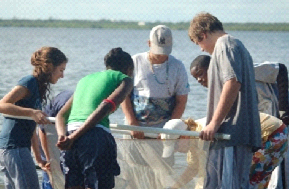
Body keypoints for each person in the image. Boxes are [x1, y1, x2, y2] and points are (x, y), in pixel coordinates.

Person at [190, 55, 289, 188]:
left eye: (201, 74)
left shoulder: (239, 72)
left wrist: (284, 111)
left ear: (213, 68)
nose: (199, 80)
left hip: (277, 118)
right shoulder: (219, 94)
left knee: (279, 172)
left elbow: (280, 69)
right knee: (260, 176)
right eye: (195, 78)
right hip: (260, 131)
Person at [188, 12, 262, 189]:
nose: (201, 49)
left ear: (203, 34)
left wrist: (213, 123)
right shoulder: (236, 45)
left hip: (232, 134)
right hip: (233, 136)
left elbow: (233, 82)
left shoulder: (225, 45)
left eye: (199, 43)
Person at [55, 47, 134, 189]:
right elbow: (105, 106)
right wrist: (73, 138)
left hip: (70, 135)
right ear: (129, 69)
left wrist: (64, 137)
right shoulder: (125, 79)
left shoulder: (85, 80)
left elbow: (61, 115)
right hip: (94, 138)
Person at [0, 46, 68, 189]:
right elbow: (2, 105)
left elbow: (31, 128)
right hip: (14, 146)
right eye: (61, 70)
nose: (62, 75)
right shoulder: (29, 81)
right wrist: (31, 112)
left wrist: (39, 159)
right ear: (49, 67)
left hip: (16, 147)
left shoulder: (39, 87)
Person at [121, 24, 189, 139]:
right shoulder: (135, 61)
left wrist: (169, 130)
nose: (162, 55)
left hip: (163, 131)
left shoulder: (178, 66)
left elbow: (181, 101)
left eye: (165, 51)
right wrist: (132, 122)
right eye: (158, 51)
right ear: (149, 44)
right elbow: (123, 95)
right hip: (135, 127)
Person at [38, 90, 73, 189]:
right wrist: (50, 159)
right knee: (51, 171)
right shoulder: (65, 104)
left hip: (64, 133)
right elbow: (42, 130)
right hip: (48, 135)